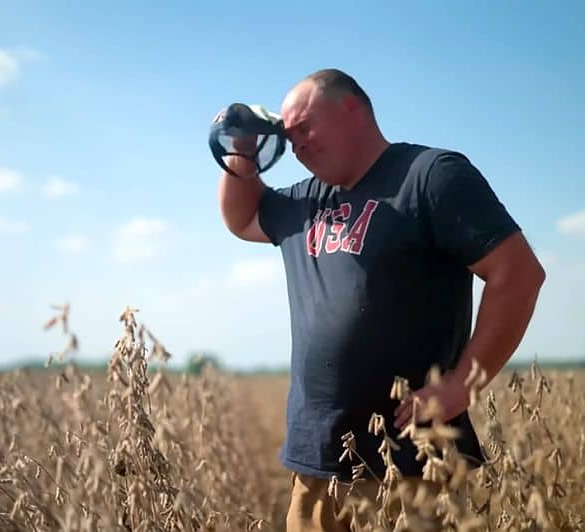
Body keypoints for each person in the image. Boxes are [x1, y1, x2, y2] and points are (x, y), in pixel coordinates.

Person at [216, 68, 546, 532]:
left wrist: (459, 388)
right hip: (317, 468)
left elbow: (519, 275)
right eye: (289, 139)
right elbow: (241, 217)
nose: (298, 145)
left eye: (305, 126)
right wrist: (242, 148)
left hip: (412, 467)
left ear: (352, 108)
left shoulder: (430, 176)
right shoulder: (304, 202)